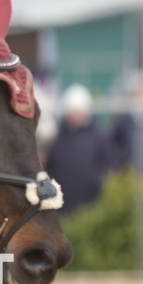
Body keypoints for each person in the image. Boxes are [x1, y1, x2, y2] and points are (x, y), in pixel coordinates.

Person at [44, 84, 114, 214]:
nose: (76, 115)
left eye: (79, 111)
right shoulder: (57, 137)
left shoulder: (99, 137)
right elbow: (50, 165)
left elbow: (108, 166)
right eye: (73, 111)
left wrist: (95, 181)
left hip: (91, 205)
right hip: (63, 206)